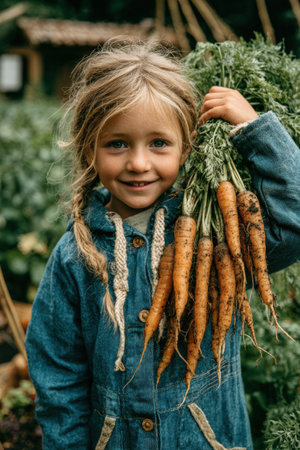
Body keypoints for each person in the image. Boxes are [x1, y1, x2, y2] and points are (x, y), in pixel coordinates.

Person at [25, 39, 300, 450]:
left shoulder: (218, 237)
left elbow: (294, 223)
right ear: (89, 149)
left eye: (159, 143)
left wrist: (255, 130)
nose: (139, 163)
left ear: (187, 147)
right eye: (117, 144)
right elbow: (58, 380)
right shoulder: (75, 257)